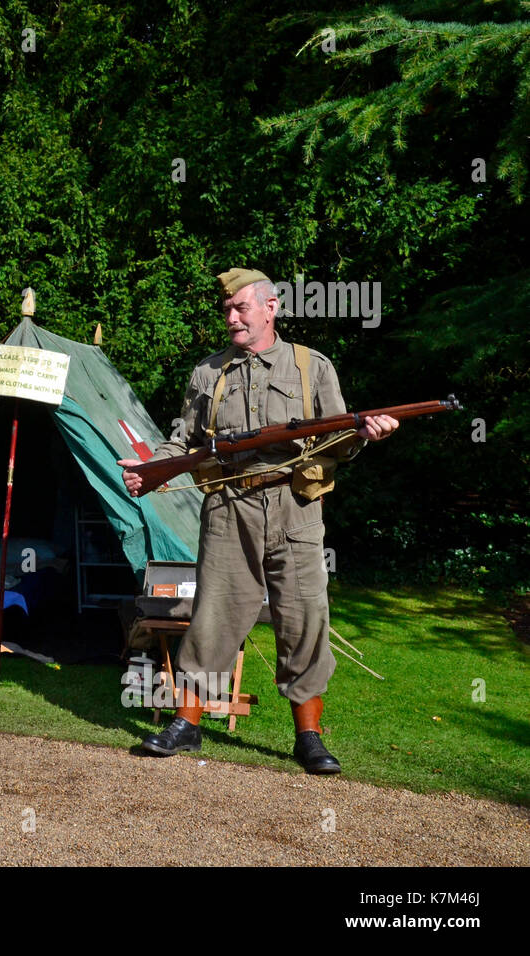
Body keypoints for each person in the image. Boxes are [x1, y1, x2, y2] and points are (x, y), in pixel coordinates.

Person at [119, 268, 397, 773]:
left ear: (270, 308)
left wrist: (365, 433)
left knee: (305, 619)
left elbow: (340, 437)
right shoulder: (209, 373)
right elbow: (182, 441)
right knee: (213, 617)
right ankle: (187, 725)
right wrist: (151, 467)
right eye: (226, 310)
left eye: (240, 308)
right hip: (229, 508)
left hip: (296, 509)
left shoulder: (313, 367)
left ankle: (308, 737)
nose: (231, 318)